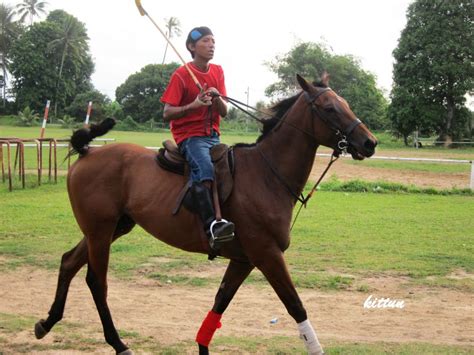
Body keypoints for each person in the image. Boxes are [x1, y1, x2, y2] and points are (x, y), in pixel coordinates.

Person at [161, 26, 234, 247]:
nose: (211, 45)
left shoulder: (218, 71)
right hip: (189, 136)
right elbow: (167, 113)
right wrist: (194, 105)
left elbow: (224, 111)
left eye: (213, 41)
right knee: (205, 169)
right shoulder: (181, 74)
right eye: (205, 41)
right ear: (192, 47)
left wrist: (216, 95)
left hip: (214, 136)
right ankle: (212, 226)